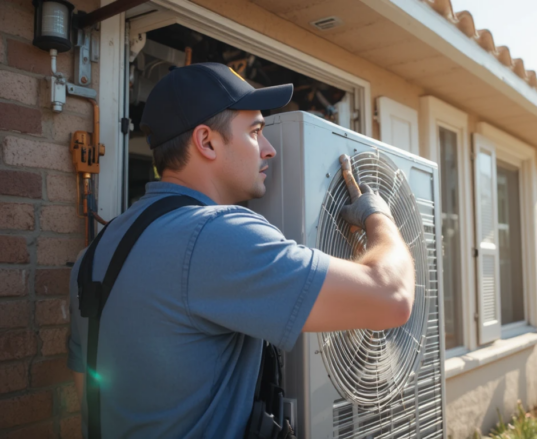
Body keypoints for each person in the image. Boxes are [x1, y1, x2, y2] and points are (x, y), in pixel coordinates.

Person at [66, 63, 415, 438]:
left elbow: (84, 383)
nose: (270, 150)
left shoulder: (98, 250)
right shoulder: (215, 234)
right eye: (255, 132)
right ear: (207, 142)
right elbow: (391, 296)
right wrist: (380, 216)